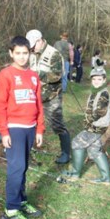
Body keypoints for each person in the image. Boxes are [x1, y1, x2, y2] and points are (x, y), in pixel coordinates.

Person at [0, 36, 45, 219]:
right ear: (11, 53)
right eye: (18, 53)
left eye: (25, 53)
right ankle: (11, 209)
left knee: (23, 166)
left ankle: (21, 200)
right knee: (16, 168)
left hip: (30, 128)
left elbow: (38, 104)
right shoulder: (6, 75)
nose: (22, 57)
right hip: (14, 129)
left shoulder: (34, 76)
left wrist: (40, 128)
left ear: (30, 53)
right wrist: (4, 132)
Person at [26, 29, 71, 164]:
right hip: (34, 94)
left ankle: (65, 153)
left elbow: (57, 75)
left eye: (33, 46)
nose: (32, 49)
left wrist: (37, 74)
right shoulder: (32, 54)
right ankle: (26, 150)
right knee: (28, 122)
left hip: (51, 96)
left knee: (57, 124)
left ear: (40, 41)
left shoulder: (54, 54)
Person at [62, 68, 110, 185]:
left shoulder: (103, 93)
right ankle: (106, 178)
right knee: (94, 150)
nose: (96, 81)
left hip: (96, 127)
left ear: (104, 80)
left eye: (99, 79)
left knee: (76, 143)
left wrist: (89, 120)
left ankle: (75, 173)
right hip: (97, 126)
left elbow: (100, 111)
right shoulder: (95, 91)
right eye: (94, 79)